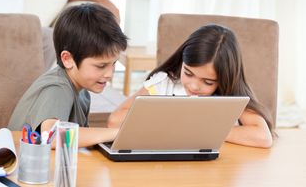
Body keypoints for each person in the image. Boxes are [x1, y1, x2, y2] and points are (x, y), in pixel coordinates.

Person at [108, 24, 274, 148]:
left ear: (224, 79)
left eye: (208, 82)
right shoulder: (164, 83)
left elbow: (263, 137)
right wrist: (171, 118)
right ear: (182, 62)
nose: (194, 86)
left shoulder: (232, 95)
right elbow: (115, 121)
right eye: (188, 73)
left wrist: (201, 129)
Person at [8, 3, 128, 147]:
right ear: (68, 59)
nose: (109, 74)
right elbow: (50, 136)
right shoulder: (57, 88)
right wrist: (118, 133)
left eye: (113, 63)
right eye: (101, 66)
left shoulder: (83, 92)